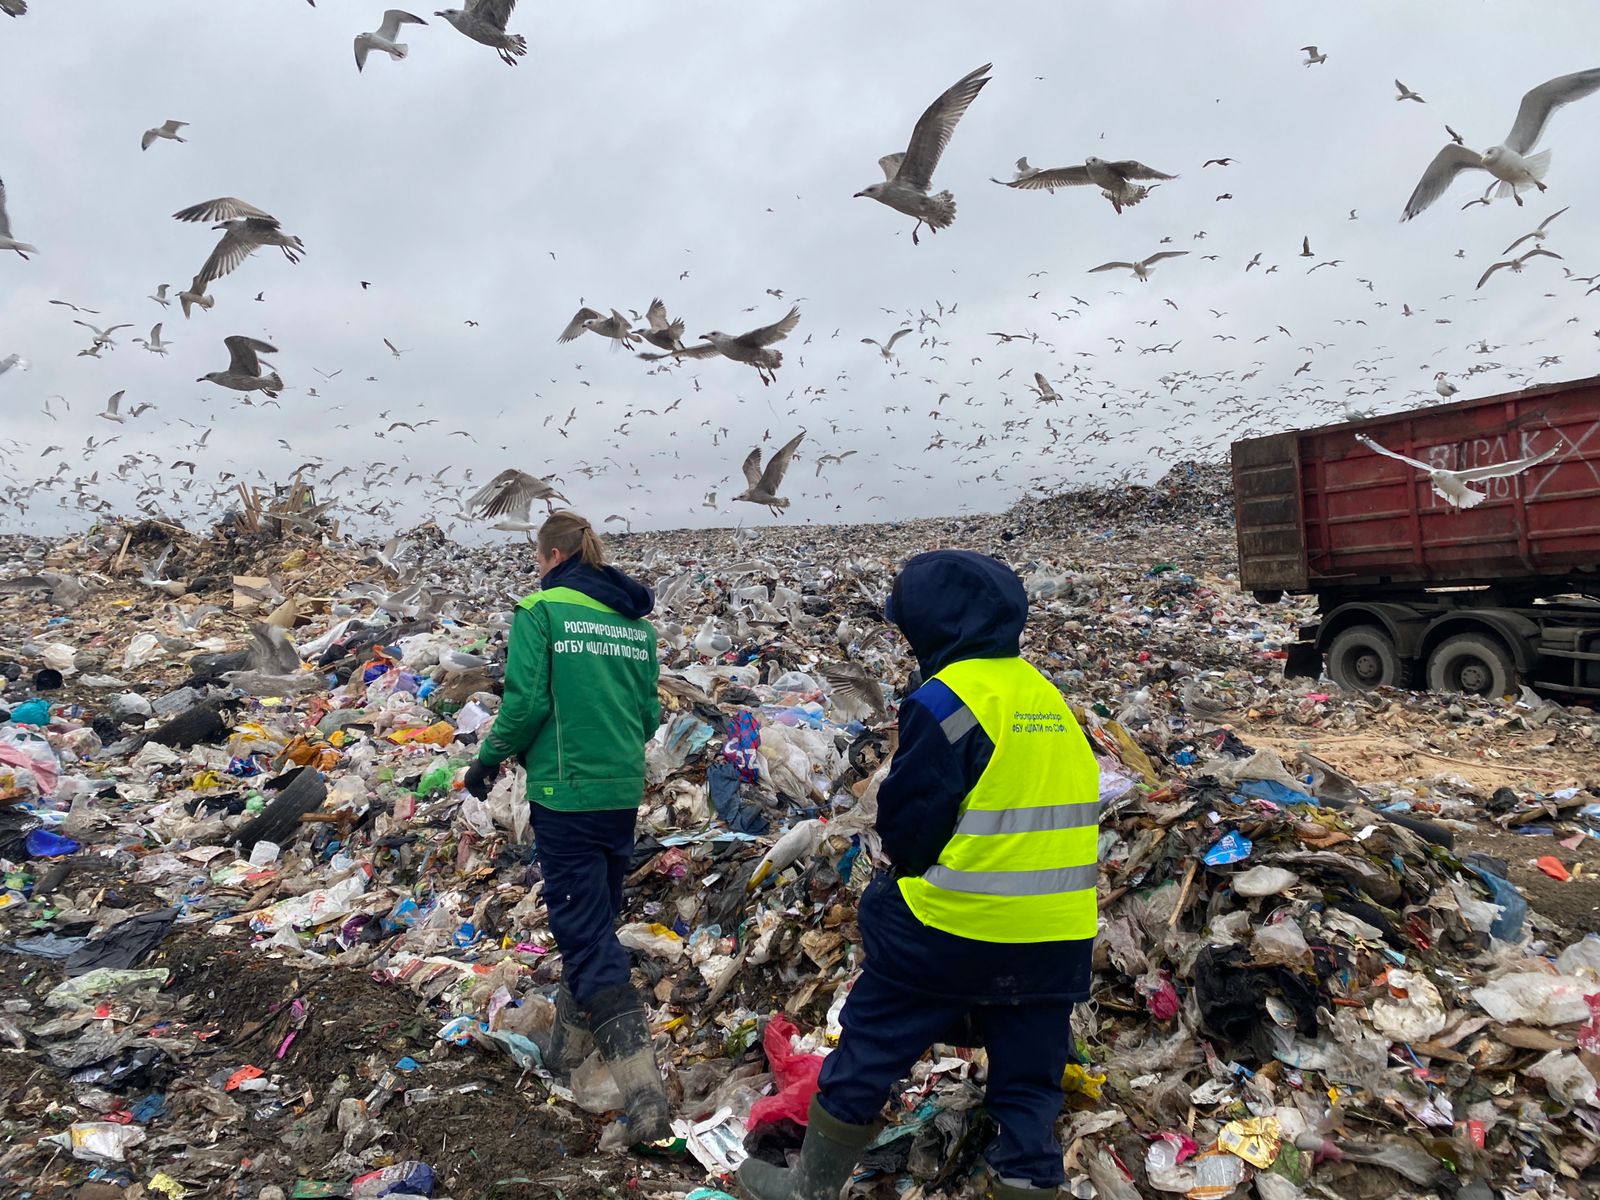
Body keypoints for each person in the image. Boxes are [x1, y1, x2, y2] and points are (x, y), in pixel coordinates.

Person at [738, 550, 1099, 1200]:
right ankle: (1028, 1183)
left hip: (954, 930)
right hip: (1057, 938)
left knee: (869, 1047)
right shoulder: (1045, 695)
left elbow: (913, 820)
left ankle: (810, 1187)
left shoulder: (950, 700)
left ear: (937, 622)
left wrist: (893, 881)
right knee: (1029, 1082)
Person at [463, 510, 669, 1143]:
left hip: (566, 790)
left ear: (551, 556)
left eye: (536, 559)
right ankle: (564, 1058)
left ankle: (646, 1097)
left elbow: (526, 703)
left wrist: (489, 759)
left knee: (583, 936)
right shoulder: (635, 626)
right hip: (619, 789)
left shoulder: (541, 612)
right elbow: (648, 711)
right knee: (595, 923)